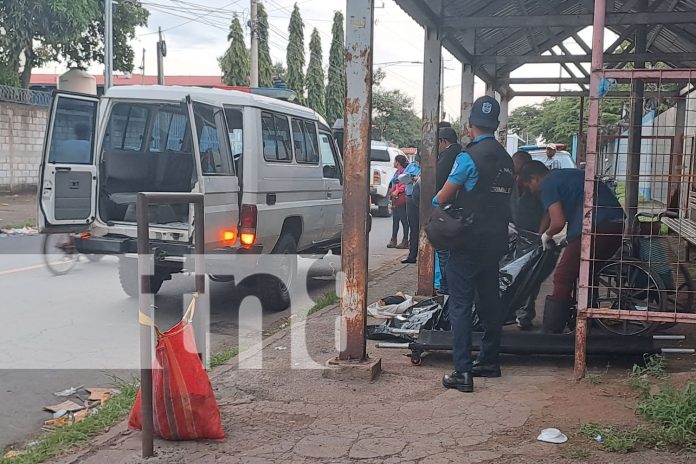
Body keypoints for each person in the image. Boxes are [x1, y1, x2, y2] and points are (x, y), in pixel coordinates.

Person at [433, 96, 514, 392]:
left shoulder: (468, 157)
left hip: (466, 242)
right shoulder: (507, 159)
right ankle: (490, 362)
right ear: (496, 125)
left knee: (461, 304)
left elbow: (442, 196)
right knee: (490, 302)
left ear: (469, 127)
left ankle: (462, 372)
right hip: (495, 242)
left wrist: (440, 202)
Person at [519, 161, 624, 333]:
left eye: (528, 186)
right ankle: (588, 319)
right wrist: (540, 237)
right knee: (587, 274)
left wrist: (548, 235)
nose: (531, 191)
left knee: (563, 275)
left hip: (596, 228)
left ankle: (552, 331)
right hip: (615, 225)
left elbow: (558, 221)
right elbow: (549, 213)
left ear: (535, 178)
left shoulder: (548, 185)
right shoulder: (563, 175)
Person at [510, 150, 546, 330]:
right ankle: (512, 311)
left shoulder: (538, 187)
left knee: (530, 277)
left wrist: (541, 235)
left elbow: (548, 211)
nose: (517, 177)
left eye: (518, 172)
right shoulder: (513, 183)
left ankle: (525, 314)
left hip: (533, 235)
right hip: (515, 234)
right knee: (513, 274)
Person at [435, 127, 462, 295]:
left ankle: (445, 288)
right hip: (457, 210)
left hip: (446, 209)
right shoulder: (461, 153)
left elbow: (438, 180)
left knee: (444, 251)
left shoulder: (447, 156)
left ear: (443, 142)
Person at [400, 151, 422, 264]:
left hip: (423, 200)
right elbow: (403, 177)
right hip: (410, 198)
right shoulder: (412, 165)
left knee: (424, 227)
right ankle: (412, 255)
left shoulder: (430, 166)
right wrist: (411, 178)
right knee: (413, 228)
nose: (418, 163)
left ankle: (424, 256)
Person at [388, 154, 410, 249]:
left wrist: (397, 191)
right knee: (395, 220)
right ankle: (394, 239)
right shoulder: (397, 172)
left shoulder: (404, 173)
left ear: (397, 162)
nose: (394, 163)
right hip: (396, 198)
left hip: (401, 198)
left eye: (394, 161)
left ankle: (405, 240)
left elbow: (405, 184)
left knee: (404, 220)